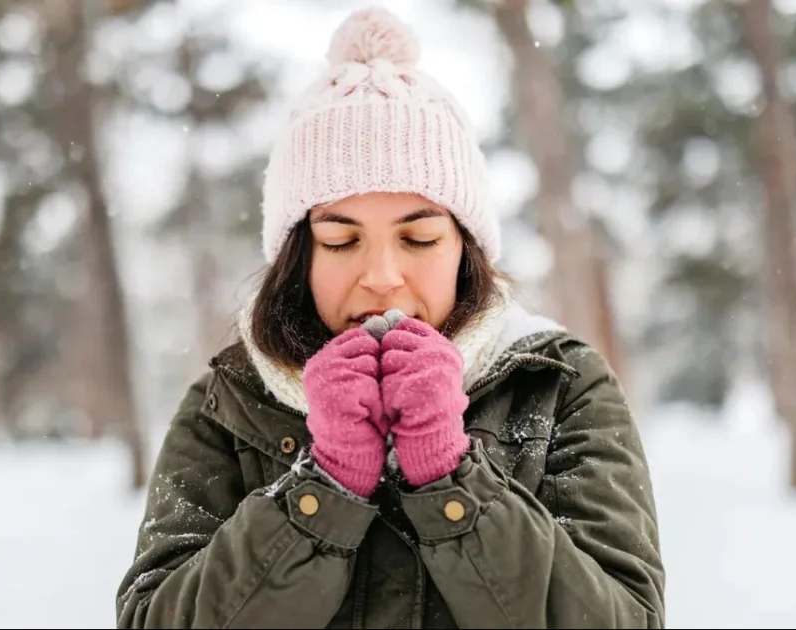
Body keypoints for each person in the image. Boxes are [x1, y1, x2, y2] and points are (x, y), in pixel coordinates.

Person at [115, 6, 665, 629]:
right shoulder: (230, 401)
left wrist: (450, 479)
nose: (380, 275)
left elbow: (625, 618)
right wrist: (322, 490)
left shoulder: (557, 384)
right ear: (299, 257)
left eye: (420, 239)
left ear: (466, 250)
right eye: (342, 241)